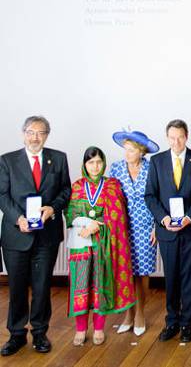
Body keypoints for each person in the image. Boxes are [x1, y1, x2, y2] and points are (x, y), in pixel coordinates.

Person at [0, 115, 71, 356]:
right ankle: (16, 335)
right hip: (16, 234)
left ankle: (40, 333)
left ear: (47, 135)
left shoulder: (58, 159)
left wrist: (52, 208)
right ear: (23, 134)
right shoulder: (7, 161)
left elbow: (66, 190)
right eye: (31, 132)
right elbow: (3, 196)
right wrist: (17, 219)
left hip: (46, 235)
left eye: (40, 133)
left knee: (42, 287)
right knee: (17, 287)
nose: (35, 137)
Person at [66, 146, 136, 346]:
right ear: (84, 165)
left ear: (103, 163)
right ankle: (80, 329)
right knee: (80, 285)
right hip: (81, 243)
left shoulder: (113, 185)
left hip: (104, 246)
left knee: (100, 286)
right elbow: (70, 214)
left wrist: (98, 225)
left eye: (98, 162)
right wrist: (86, 225)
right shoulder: (78, 185)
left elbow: (119, 216)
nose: (95, 166)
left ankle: (98, 328)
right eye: (90, 162)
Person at [144, 119, 191, 343]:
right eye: (172, 138)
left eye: (180, 137)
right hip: (167, 229)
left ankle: (187, 323)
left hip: (190, 229)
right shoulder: (157, 161)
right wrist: (164, 219)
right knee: (170, 278)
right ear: (167, 137)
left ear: (186, 136)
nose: (176, 142)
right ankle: (172, 321)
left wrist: (189, 218)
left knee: (188, 277)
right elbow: (150, 195)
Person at [109, 129, 160, 337]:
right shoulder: (116, 168)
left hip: (146, 226)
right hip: (122, 226)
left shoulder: (152, 168)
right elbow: (111, 198)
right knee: (125, 272)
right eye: (126, 149)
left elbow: (160, 197)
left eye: (131, 150)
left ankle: (140, 313)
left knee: (142, 272)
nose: (127, 154)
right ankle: (127, 315)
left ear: (142, 152)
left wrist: (158, 225)